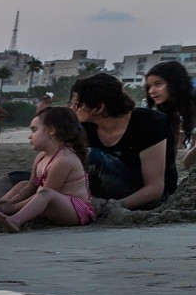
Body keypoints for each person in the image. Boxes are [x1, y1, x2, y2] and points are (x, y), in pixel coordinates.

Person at [73, 72, 175, 210]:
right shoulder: (87, 126)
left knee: (91, 156)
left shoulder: (149, 123)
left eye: (77, 104)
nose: (73, 108)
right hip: (107, 189)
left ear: (99, 107)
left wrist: (116, 206)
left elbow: (155, 188)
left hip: (149, 195)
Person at [144, 60, 194, 169]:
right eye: (149, 86)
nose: (151, 91)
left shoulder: (192, 104)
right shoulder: (169, 111)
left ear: (174, 83)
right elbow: (171, 150)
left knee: (188, 162)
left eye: (158, 84)